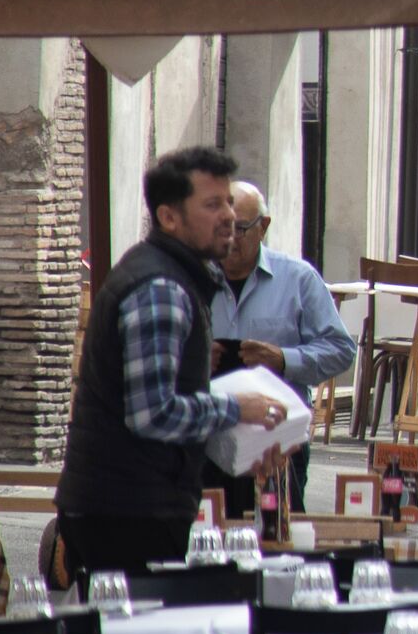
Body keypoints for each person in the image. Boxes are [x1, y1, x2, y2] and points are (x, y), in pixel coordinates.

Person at [53, 145, 290, 581]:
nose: (229, 217)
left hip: (136, 507)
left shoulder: (175, 276)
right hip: (127, 513)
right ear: (169, 217)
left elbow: (173, 411)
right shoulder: (160, 286)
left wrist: (245, 445)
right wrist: (240, 410)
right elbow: (155, 413)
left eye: (229, 204)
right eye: (212, 204)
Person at [205, 181, 356, 521]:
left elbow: (342, 350)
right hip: (208, 435)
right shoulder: (196, 279)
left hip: (276, 439)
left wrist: (285, 359)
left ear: (264, 227)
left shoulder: (298, 279)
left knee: (277, 533)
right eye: (221, 228)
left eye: (240, 228)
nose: (230, 239)